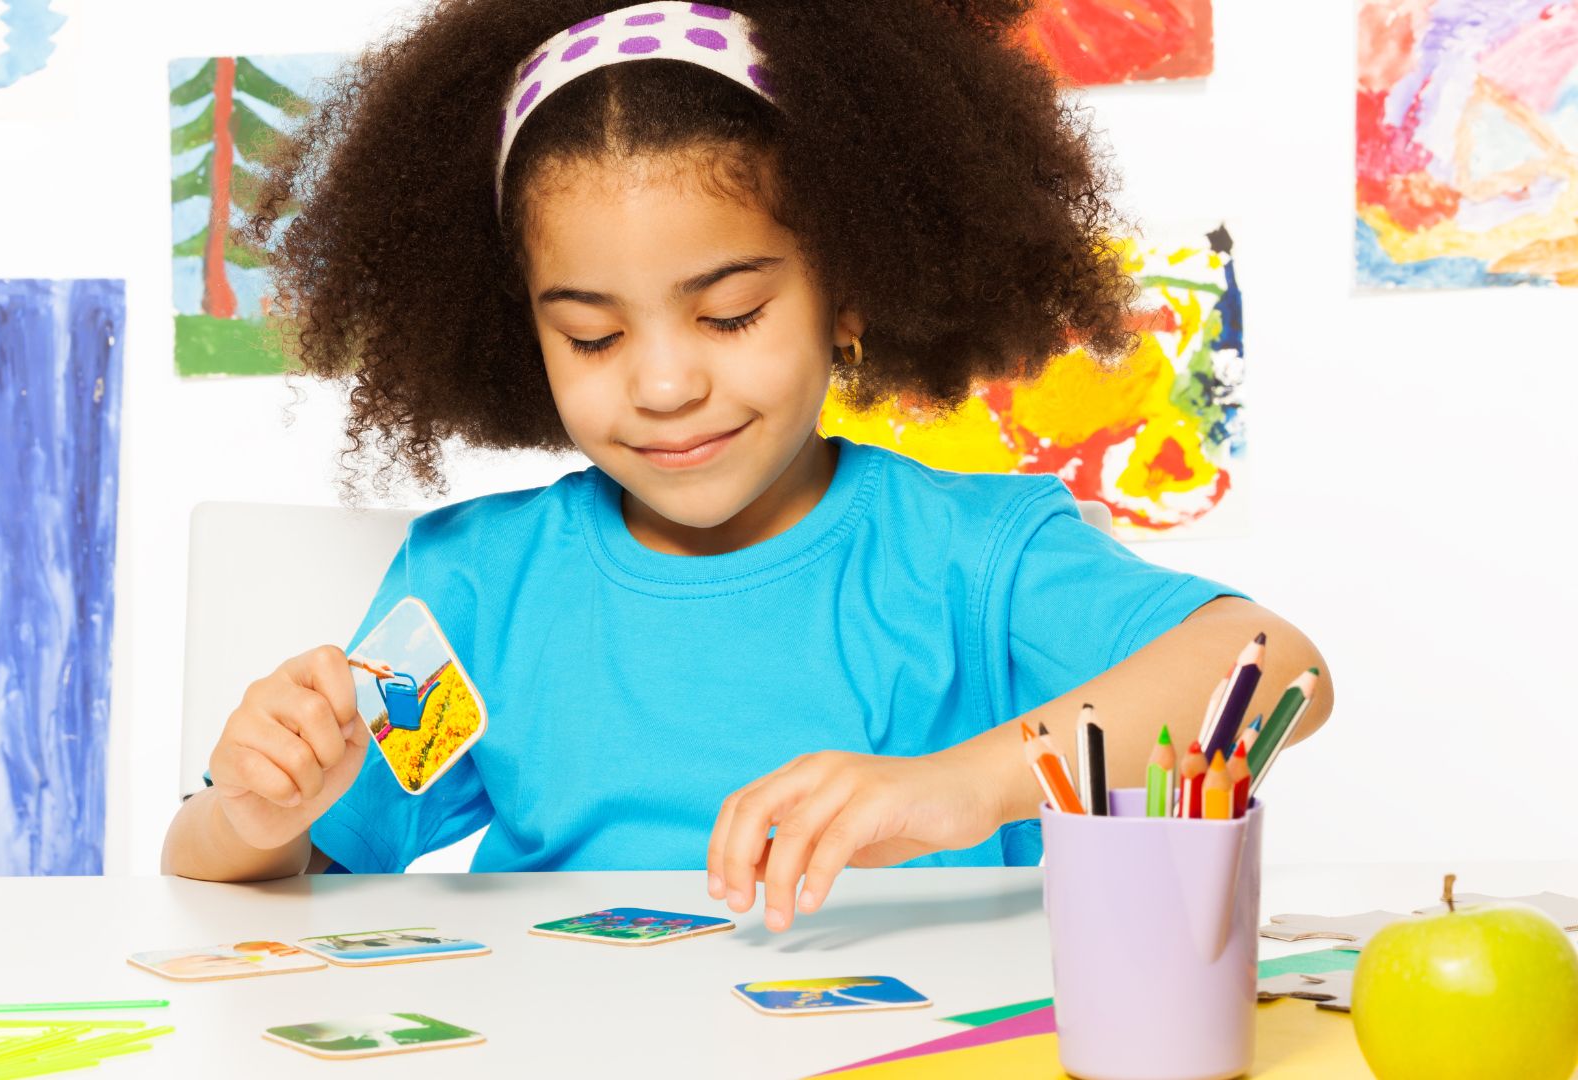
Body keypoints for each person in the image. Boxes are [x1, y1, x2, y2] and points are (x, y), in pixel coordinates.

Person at [163, 1, 1334, 933]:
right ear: (522, 329)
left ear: (849, 291)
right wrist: (256, 813)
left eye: (728, 315)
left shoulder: (971, 558)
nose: (664, 384)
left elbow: (1276, 671)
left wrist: (962, 787)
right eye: (593, 335)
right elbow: (256, 876)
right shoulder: (478, 590)